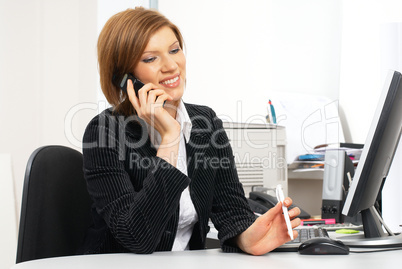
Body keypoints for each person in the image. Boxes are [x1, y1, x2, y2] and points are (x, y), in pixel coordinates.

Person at [80, 7, 301, 256]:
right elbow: (137, 238)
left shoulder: (205, 121)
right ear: (126, 78)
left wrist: (247, 237)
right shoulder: (104, 132)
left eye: (174, 50)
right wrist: (170, 139)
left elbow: (231, 210)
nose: (171, 65)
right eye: (151, 58)